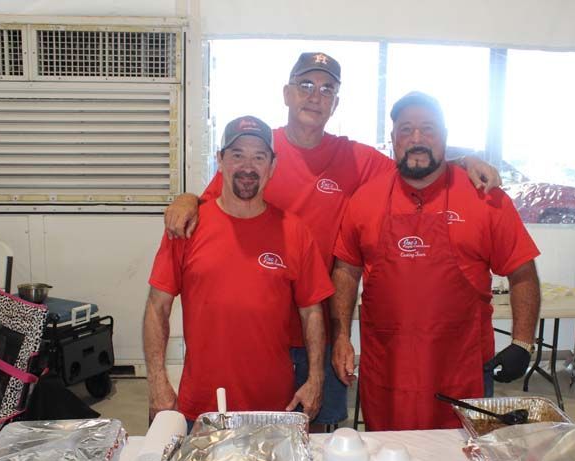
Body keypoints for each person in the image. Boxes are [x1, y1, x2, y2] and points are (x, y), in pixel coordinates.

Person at [162, 52, 502, 427]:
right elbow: (213, 202)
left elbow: (416, 161)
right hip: (259, 337)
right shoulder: (258, 149)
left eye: (327, 89)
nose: (315, 96)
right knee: (248, 433)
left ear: (336, 102)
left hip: (317, 330)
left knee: (319, 438)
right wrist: (186, 197)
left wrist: (466, 159)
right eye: (306, 86)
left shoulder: (355, 158)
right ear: (287, 93)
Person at [330, 92, 541, 431]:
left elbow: (523, 272)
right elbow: (346, 270)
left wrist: (522, 342)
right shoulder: (365, 199)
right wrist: (341, 335)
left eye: (428, 130)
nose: (416, 139)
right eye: (406, 130)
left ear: (445, 137)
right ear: (393, 140)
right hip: (388, 370)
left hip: (463, 369)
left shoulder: (484, 198)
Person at [144, 115, 334, 425]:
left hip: (276, 408)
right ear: (220, 161)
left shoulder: (294, 232)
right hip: (202, 407)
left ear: (272, 166)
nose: (248, 166)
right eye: (237, 155)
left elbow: (311, 312)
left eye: (259, 157)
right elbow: (156, 307)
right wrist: (157, 383)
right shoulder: (188, 227)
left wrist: (315, 379)